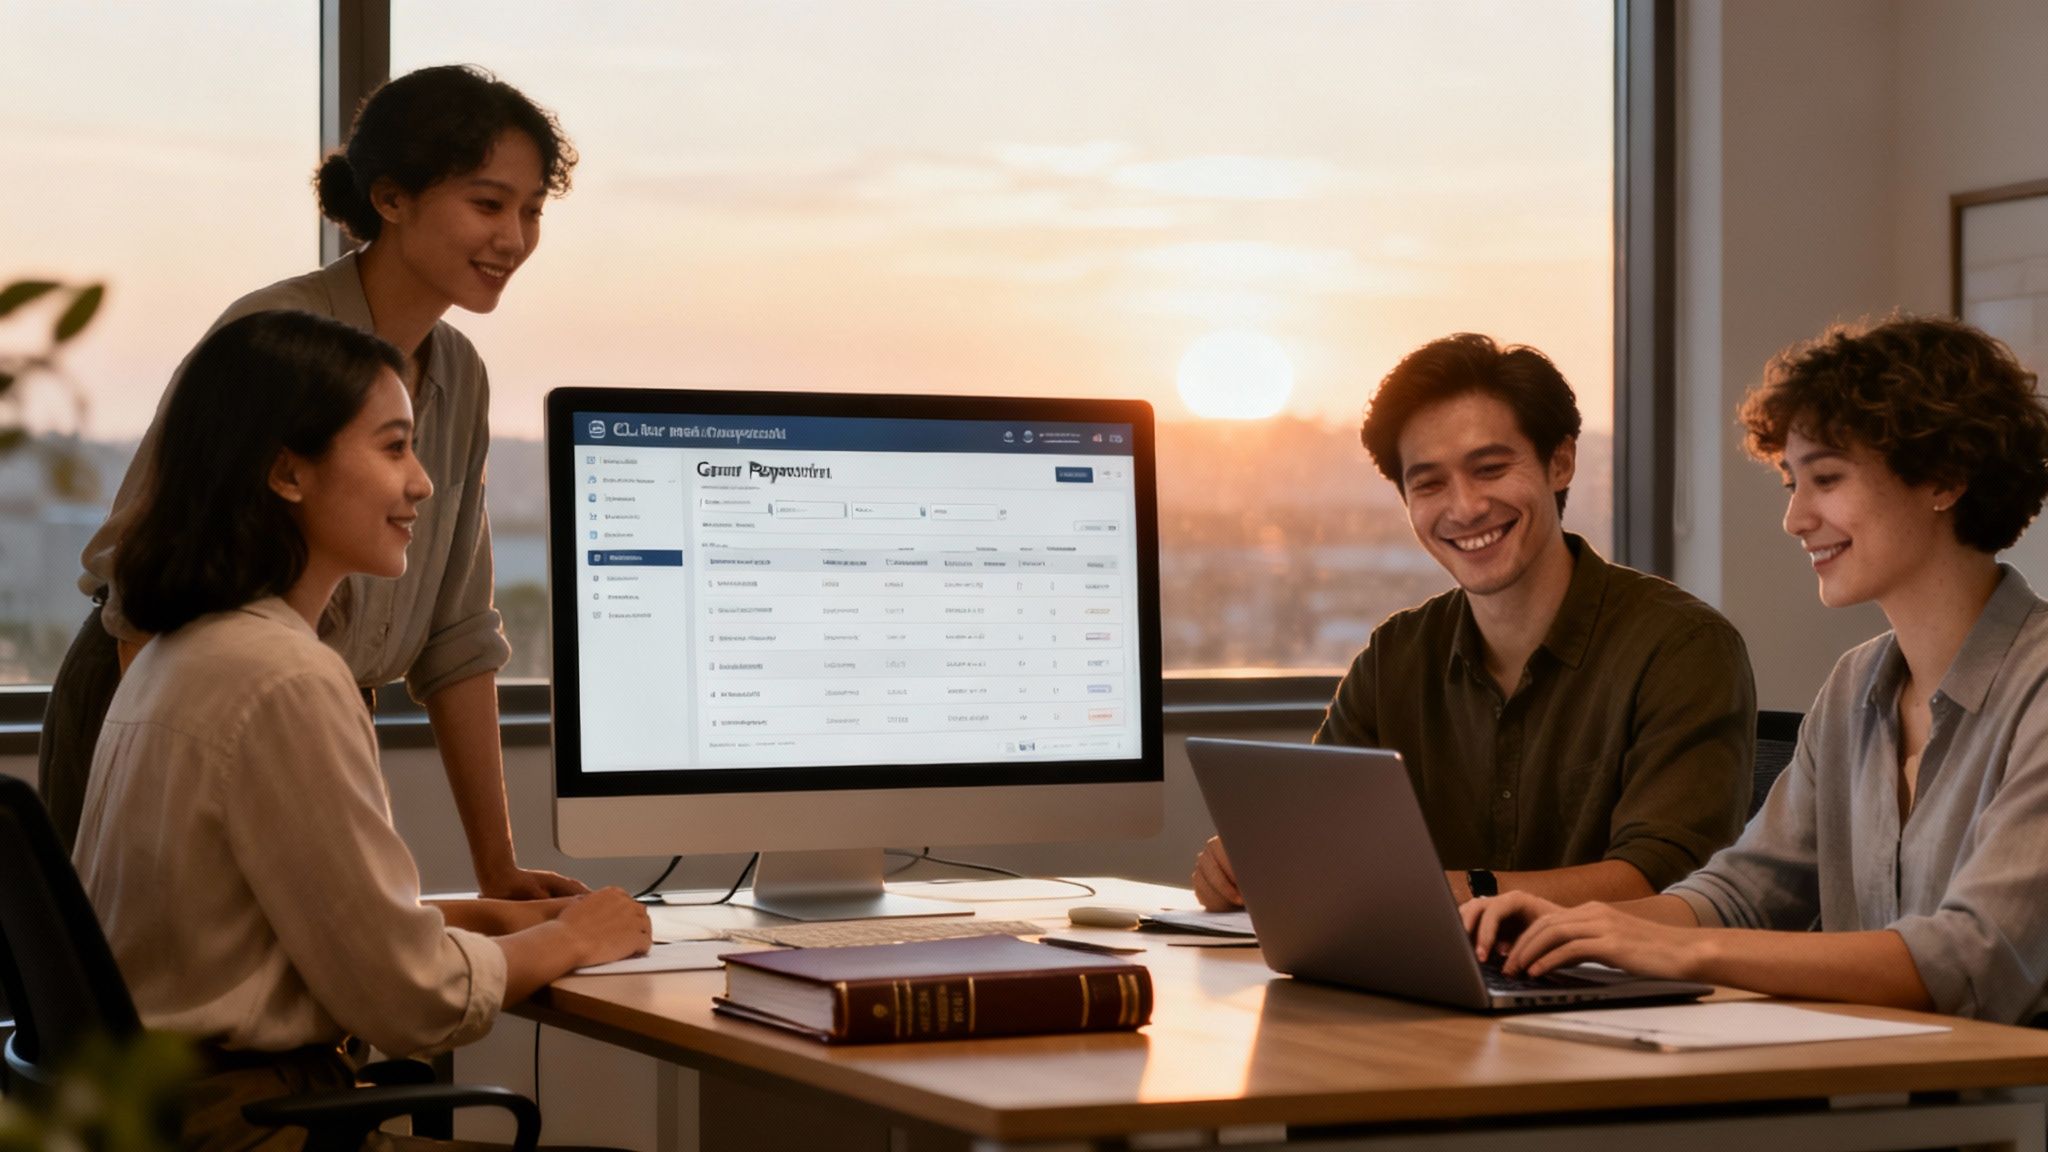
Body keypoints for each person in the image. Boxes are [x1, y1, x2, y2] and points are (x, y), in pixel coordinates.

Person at [71, 310, 652, 1152]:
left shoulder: (183, 650)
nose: (421, 482)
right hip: (254, 1129)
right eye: (392, 448)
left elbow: (254, 931)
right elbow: (415, 1003)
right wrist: (572, 938)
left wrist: (485, 917)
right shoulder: (282, 678)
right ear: (287, 474)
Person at [42, 64, 583, 898]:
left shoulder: (461, 377)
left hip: (308, 723)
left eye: (531, 210)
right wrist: (161, 808)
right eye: (487, 204)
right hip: (146, 701)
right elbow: (143, 586)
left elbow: (458, 637)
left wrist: (497, 871)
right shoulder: (275, 337)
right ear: (392, 198)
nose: (514, 238)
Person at [1465, 315, 2048, 1025]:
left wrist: (1679, 954)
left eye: (1826, 478)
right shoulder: (1854, 689)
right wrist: (1580, 929)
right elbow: (1741, 894)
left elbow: (1971, 957)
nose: (1796, 518)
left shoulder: (2037, 687)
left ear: (1945, 478)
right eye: (1791, 484)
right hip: (1873, 1091)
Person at [1194, 334, 1756, 910]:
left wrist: (1454, 892)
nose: (1464, 508)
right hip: (1423, 987)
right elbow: (1315, 843)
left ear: (1560, 462)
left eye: (1489, 468)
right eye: (1429, 483)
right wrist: (1249, 864)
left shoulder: (1682, 648)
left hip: (1621, 992)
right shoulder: (1396, 657)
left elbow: (1665, 883)